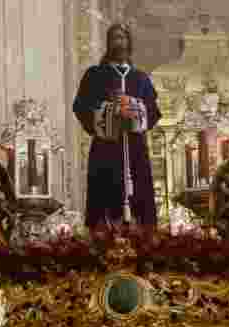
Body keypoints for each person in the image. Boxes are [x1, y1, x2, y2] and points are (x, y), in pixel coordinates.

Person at [73, 23, 161, 229]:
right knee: (104, 193)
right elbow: (81, 107)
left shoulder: (141, 79)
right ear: (108, 43)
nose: (119, 42)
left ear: (129, 43)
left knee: (139, 194)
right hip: (106, 150)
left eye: (123, 38)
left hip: (135, 149)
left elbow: (153, 111)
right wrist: (110, 111)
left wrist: (133, 107)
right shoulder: (94, 75)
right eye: (114, 38)